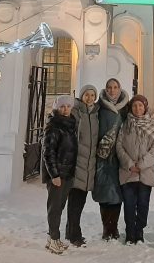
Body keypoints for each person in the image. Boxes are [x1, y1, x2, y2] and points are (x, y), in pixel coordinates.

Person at [116, 94, 154, 244]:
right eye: (135, 106)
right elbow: (119, 146)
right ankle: (130, 232)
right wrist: (130, 164)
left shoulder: (153, 124)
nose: (137, 108)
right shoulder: (125, 125)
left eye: (140, 105)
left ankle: (139, 231)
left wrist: (141, 164)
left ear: (145, 107)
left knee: (143, 205)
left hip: (145, 172)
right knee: (129, 205)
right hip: (128, 173)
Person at [93, 78, 130, 241]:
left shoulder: (126, 108)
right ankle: (106, 228)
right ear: (106, 89)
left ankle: (113, 227)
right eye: (109, 87)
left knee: (117, 194)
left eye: (115, 87)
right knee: (103, 194)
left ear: (120, 89)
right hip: (102, 156)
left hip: (120, 156)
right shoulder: (99, 107)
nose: (112, 90)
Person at [42, 95, 78, 255]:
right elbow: (48, 152)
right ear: (57, 108)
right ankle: (54, 239)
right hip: (57, 175)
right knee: (54, 208)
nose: (65, 109)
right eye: (62, 106)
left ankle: (52, 239)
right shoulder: (54, 126)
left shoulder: (70, 124)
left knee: (59, 207)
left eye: (68, 106)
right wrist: (54, 175)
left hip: (67, 174)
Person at [65, 85, 99, 247]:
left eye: (93, 95)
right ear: (81, 95)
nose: (90, 98)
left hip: (89, 166)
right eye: (87, 94)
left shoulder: (95, 113)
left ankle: (69, 231)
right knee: (75, 202)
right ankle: (74, 235)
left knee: (79, 202)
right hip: (77, 164)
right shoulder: (75, 112)